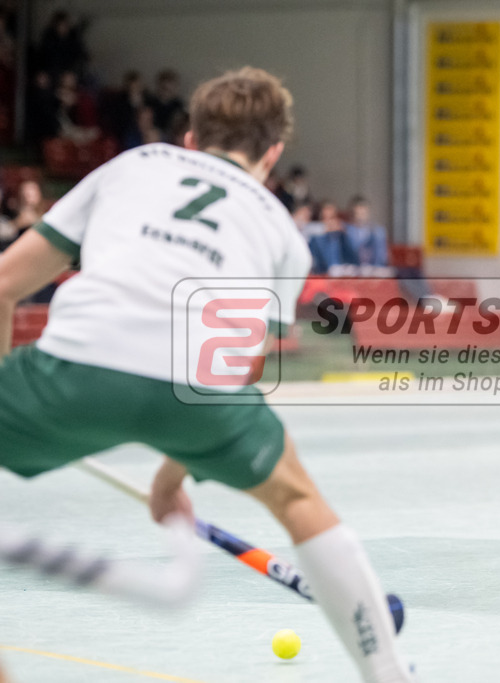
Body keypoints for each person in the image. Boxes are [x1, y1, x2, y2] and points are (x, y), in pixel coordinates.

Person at [0, 67, 415, 681]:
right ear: (272, 155)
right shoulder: (284, 233)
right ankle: (389, 673)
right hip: (197, 395)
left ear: (190, 138)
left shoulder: (132, 165)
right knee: (299, 498)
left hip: (76, 362)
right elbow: (232, 371)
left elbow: (7, 283)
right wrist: (175, 475)